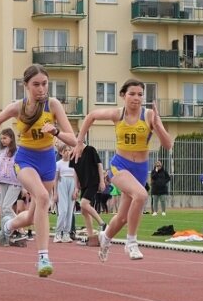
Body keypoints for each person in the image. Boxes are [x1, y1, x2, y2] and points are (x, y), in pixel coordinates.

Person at [0, 64, 77, 277]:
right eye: (36, 85)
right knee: (42, 198)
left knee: (33, 216)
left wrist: (55, 130)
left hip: (48, 160)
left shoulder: (54, 105)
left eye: (44, 84)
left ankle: (8, 224)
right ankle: (43, 257)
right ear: (26, 86)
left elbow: (73, 139)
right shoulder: (18, 107)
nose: (41, 89)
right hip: (25, 159)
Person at [74, 79, 173, 262]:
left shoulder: (149, 115)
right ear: (123, 95)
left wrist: (158, 125)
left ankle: (105, 237)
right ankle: (131, 242)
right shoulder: (117, 115)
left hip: (140, 169)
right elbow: (91, 116)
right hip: (119, 166)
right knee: (141, 196)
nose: (136, 98)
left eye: (140, 94)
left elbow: (168, 145)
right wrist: (79, 141)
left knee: (122, 218)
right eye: (132, 94)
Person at [70, 139, 106, 241]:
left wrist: (102, 181)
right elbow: (75, 171)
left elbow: (99, 165)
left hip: (93, 181)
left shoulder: (90, 150)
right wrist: (76, 187)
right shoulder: (73, 154)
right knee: (84, 211)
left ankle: (102, 223)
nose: (72, 148)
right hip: (84, 184)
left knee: (84, 204)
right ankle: (91, 236)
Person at [0, 128, 22, 226]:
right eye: (1, 139)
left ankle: (20, 226)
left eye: (5, 138)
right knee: (2, 208)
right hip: (2, 182)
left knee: (6, 207)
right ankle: (8, 230)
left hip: (15, 183)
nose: (2, 140)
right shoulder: (1, 152)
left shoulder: (18, 151)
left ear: (11, 138)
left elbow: (22, 167)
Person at [53, 144, 77, 243]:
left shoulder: (74, 163)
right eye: (65, 151)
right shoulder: (58, 164)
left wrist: (76, 189)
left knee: (70, 210)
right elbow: (55, 179)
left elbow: (76, 177)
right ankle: (58, 233)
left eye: (68, 150)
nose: (67, 152)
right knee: (63, 210)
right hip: (62, 184)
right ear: (60, 153)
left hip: (72, 183)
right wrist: (55, 193)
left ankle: (66, 233)